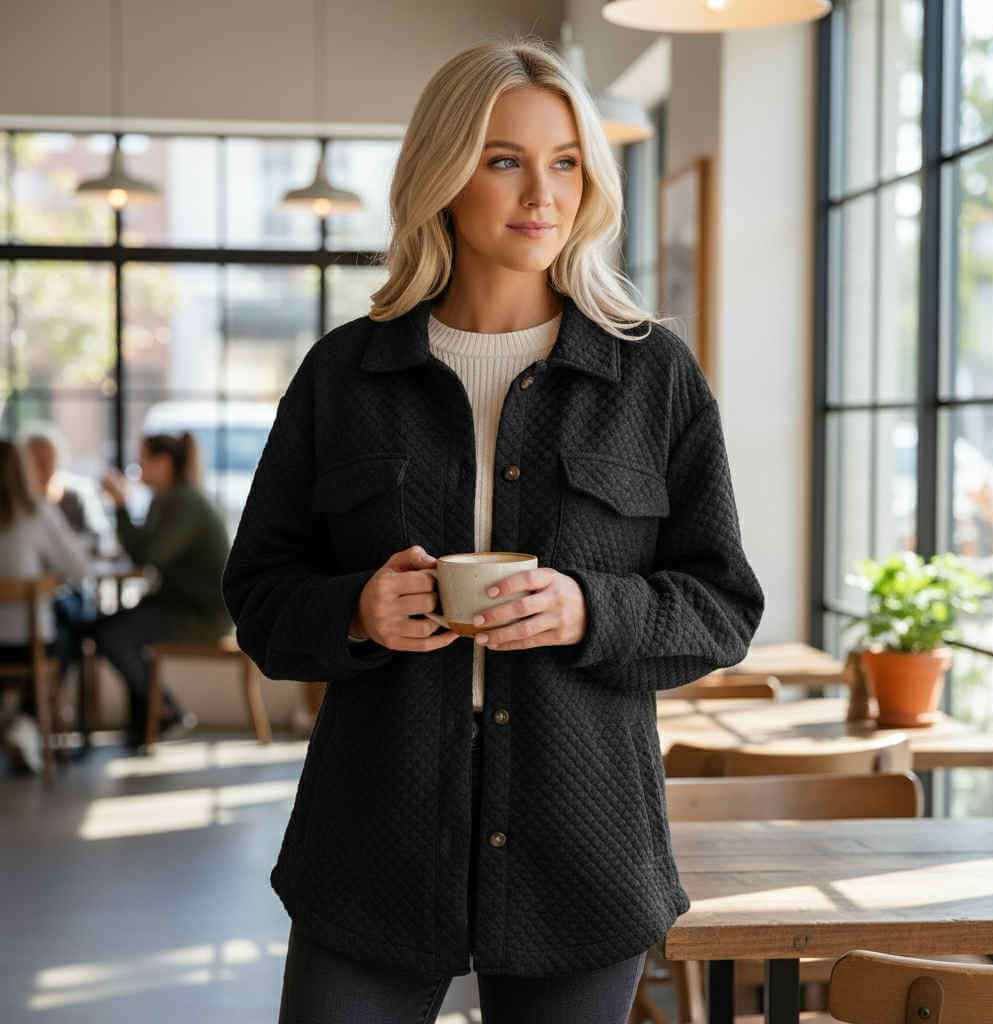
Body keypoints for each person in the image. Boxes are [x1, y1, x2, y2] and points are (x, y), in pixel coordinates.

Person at [222, 36, 765, 1024]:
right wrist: (354, 609)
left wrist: (587, 609)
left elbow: (722, 605)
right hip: (369, 847)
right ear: (441, 172)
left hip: (583, 850)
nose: (540, 194)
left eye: (564, 162)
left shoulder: (652, 377)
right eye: (503, 159)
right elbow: (257, 596)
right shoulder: (343, 376)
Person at [90, 431, 233, 750]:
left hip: (204, 616)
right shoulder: (171, 499)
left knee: (113, 634)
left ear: (164, 463)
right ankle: (146, 725)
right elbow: (147, 551)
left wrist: (123, 505)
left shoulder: (184, 502)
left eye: (143, 460)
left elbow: (147, 555)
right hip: (181, 606)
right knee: (112, 628)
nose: (137, 468)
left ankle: (166, 713)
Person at [0, 438, 92, 775]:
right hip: (28, 645)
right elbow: (81, 571)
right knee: (67, 628)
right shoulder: (36, 512)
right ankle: (28, 722)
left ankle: (18, 719)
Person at [21, 430, 101, 685]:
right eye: (38, 461)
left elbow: (89, 544)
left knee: (72, 618)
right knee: (62, 623)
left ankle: (52, 695)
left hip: (63, 590)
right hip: (29, 605)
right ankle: (46, 699)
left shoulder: (70, 500)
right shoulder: (25, 510)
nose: (45, 468)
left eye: (49, 460)